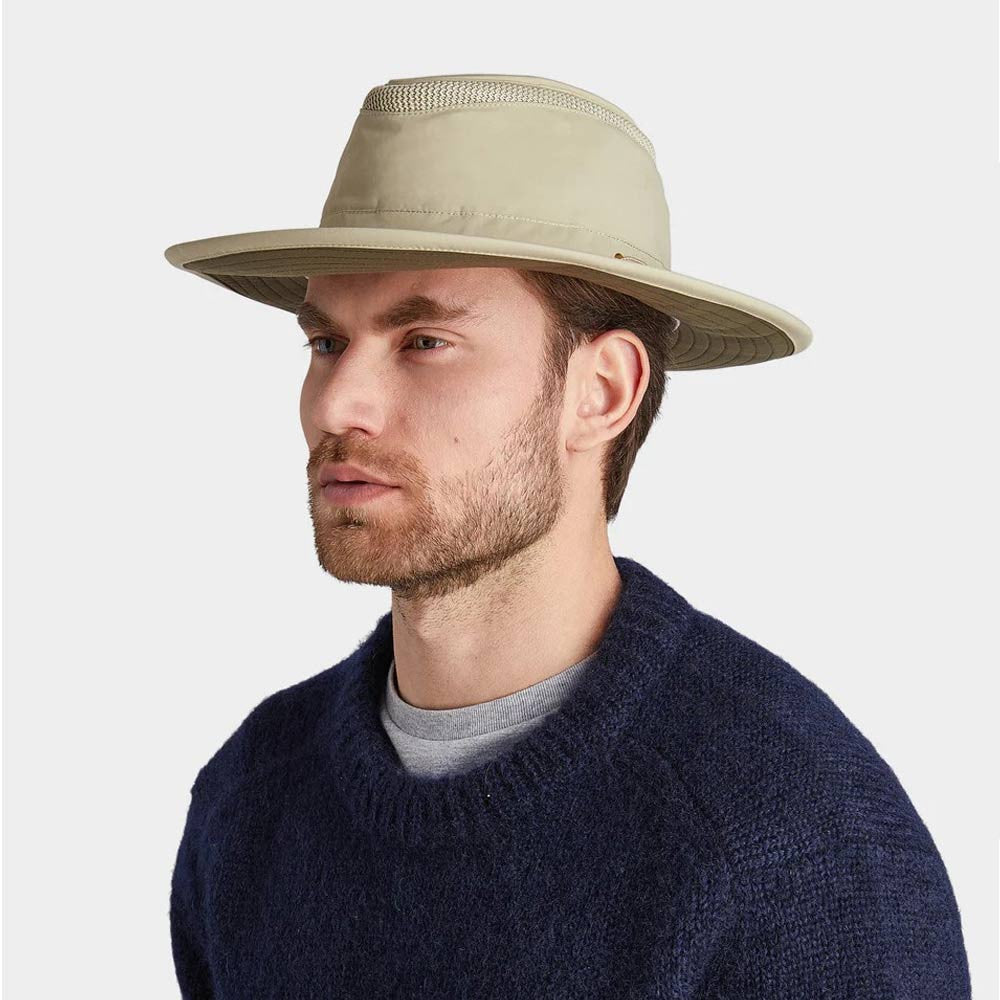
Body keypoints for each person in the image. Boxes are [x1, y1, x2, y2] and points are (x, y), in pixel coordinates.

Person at [163, 74, 971, 999]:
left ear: (602, 392)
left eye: (423, 341)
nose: (338, 404)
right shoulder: (253, 797)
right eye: (326, 344)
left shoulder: (790, 835)